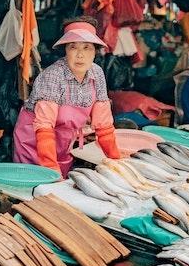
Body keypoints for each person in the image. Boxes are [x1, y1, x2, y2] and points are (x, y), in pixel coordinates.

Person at [13, 17, 120, 177]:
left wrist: (116, 161)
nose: (80, 55)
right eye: (73, 47)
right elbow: (44, 127)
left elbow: (103, 125)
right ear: (65, 50)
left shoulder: (97, 73)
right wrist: (50, 168)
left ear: (95, 51)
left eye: (86, 48)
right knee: (35, 184)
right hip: (34, 140)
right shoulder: (53, 75)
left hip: (63, 140)